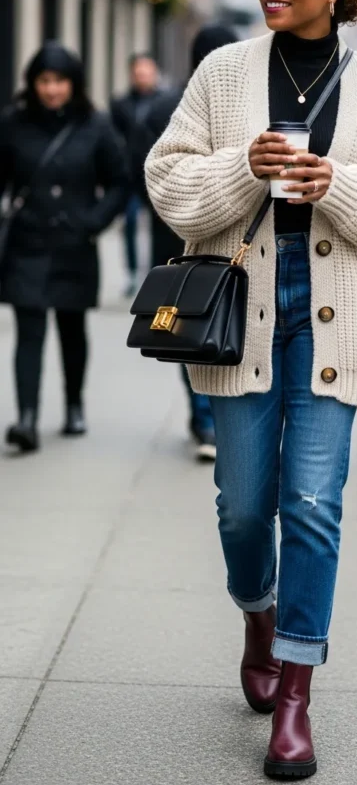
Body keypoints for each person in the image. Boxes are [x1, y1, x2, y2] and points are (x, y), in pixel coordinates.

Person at [145, 0, 357, 779]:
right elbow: (168, 181)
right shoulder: (222, 72)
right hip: (242, 310)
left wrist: (335, 183)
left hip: (334, 315)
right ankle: (258, 616)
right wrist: (243, 166)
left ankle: (296, 696)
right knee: (243, 507)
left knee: (311, 503)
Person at [0, 42, 128, 453]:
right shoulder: (14, 123)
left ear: (73, 83)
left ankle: (74, 405)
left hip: (75, 244)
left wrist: (93, 222)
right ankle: (27, 418)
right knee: (29, 331)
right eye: (44, 81)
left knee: (72, 329)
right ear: (32, 83)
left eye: (59, 81)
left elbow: (120, 181)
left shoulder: (95, 125)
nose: (51, 89)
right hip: (28, 243)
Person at [139, 26, 238, 461]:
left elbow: (142, 169)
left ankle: (203, 419)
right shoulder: (238, 107)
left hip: (172, 238)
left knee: (185, 325)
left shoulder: (164, 106)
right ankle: (213, 418)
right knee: (226, 323)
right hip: (230, 238)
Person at [111, 54, 163, 296]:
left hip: (156, 173)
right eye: (139, 73)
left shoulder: (165, 101)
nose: (143, 77)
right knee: (130, 222)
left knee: (159, 226)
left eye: (147, 72)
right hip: (130, 175)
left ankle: (156, 272)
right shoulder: (120, 104)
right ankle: (132, 273)